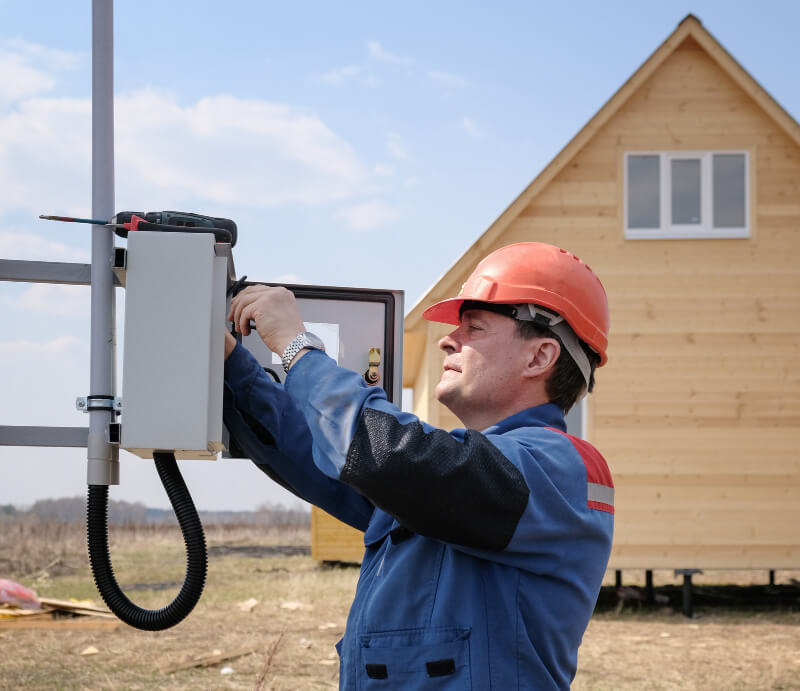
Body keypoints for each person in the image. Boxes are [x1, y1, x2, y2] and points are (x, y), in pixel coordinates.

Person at [222, 242, 614, 689]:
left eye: (476, 328)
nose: (449, 338)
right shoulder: (454, 474)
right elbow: (313, 450)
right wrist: (232, 363)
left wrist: (298, 348)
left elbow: (385, 455)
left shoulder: (563, 468)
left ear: (539, 356)